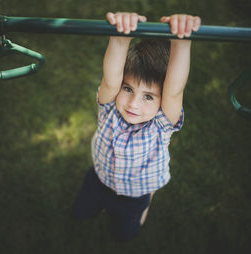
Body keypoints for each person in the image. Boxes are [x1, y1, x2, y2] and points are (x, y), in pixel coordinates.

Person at [73, 12, 201, 241]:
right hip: (99, 179)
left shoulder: (161, 124)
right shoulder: (110, 108)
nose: (133, 104)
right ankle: (89, 211)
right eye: (128, 89)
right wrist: (119, 39)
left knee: (124, 234)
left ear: (161, 102)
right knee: (81, 212)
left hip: (135, 195)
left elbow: (174, 90)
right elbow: (111, 79)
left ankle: (145, 207)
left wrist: (181, 43)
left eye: (149, 97)